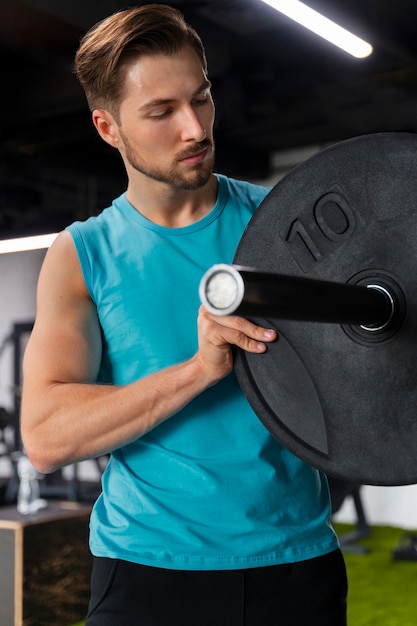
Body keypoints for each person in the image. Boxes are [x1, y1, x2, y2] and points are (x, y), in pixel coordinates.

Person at [20, 4, 347, 625]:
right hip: (146, 572)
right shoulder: (83, 254)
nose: (195, 128)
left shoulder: (284, 223)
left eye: (202, 99)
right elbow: (45, 437)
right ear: (107, 127)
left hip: (293, 564)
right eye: (162, 111)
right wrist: (198, 370)